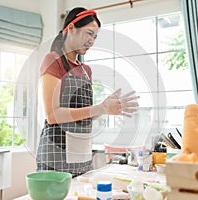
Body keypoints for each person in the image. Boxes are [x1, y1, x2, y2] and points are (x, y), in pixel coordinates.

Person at [36, 7, 139, 177]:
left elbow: (85, 114)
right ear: (70, 29)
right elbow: (52, 115)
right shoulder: (53, 60)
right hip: (56, 151)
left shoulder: (86, 70)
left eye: (95, 36)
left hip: (81, 153)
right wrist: (101, 108)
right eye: (89, 33)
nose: (92, 41)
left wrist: (106, 107)